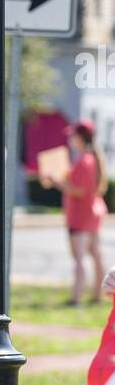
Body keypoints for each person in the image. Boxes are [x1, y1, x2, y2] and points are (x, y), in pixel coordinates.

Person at [45, 120, 109, 305]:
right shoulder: (92, 158)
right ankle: (98, 294)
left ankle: (76, 297)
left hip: (81, 214)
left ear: (80, 137)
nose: (71, 138)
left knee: (79, 257)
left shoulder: (84, 160)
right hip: (93, 211)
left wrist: (56, 181)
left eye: (73, 135)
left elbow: (79, 190)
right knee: (95, 253)